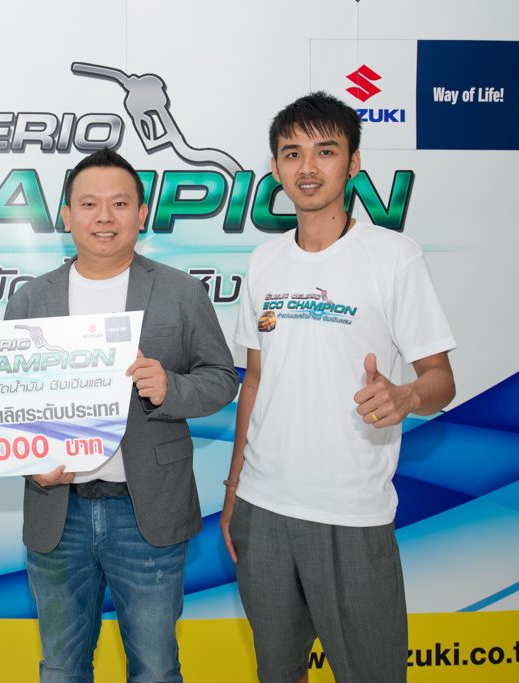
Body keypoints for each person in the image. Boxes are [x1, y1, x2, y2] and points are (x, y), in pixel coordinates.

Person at [220, 91, 457, 683]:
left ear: (353, 163)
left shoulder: (393, 257)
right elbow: (256, 380)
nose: (307, 167)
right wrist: (234, 488)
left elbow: (441, 379)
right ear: (275, 168)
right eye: (292, 153)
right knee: (278, 672)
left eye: (325, 152)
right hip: (263, 509)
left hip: (351, 512)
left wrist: (406, 396)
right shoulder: (264, 261)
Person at [4, 148, 238, 682]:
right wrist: (28, 463)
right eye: (89, 204)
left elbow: (222, 378)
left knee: (155, 668)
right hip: (57, 510)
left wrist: (171, 387)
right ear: (67, 216)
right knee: (61, 668)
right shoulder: (31, 300)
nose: (104, 217)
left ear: (141, 213)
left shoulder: (180, 292)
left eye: (119, 204)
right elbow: (6, 405)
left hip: (146, 510)